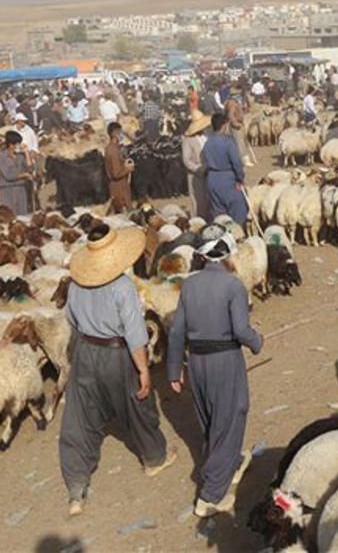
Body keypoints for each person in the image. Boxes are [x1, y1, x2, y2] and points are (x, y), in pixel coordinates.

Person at [60, 224, 176, 517]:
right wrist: (144, 370)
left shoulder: (75, 284)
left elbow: (71, 320)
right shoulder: (122, 286)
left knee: (79, 416)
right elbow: (135, 333)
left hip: (86, 350)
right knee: (138, 402)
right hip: (116, 352)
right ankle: (154, 457)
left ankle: (76, 488)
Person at [167, 231, 262, 518]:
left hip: (195, 361)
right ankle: (210, 496)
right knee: (231, 416)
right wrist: (257, 342)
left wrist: (173, 369)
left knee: (210, 418)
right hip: (224, 360)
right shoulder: (233, 286)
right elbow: (241, 330)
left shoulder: (189, 285)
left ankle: (230, 462)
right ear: (225, 256)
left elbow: (176, 330)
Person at [182, 110, 212, 220]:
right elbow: (186, 160)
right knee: (197, 200)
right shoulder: (188, 140)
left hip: (209, 172)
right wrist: (199, 169)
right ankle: (198, 221)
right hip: (196, 175)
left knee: (209, 198)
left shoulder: (207, 136)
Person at [0, 130, 33, 215]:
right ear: (11, 145)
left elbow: (30, 169)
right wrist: (24, 175)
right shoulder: (1, 156)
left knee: (22, 215)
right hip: (7, 189)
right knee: (9, 215)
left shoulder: (20, 156)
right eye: (17, 144)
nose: (19, 146)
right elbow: (8, 175)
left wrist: (27, 153)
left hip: (20, 188)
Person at [104, 122, 135, 213]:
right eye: (120, 132)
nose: (122, 135)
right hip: (119, 187)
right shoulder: (113, 151)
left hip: (120, 185)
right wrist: (128, 169)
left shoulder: (113, 148)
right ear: (114, 133)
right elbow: (116, 174)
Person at [225, 84, 252, 167]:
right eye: (237, 95)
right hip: (236, 126)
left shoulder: (234, 102)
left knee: (242, 142)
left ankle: (242, 159)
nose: (239, 96)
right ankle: (243, 160)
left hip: (239, 123)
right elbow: (230, 115)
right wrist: (235, 123)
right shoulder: (232, 103)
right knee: (239, 143)